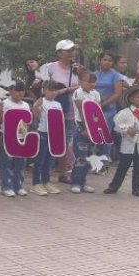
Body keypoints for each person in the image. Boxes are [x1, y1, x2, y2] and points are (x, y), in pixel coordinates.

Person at [104, 85, 139, 197]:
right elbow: (116, 125)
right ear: (131, 99)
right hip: (128, 146)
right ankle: (113, 186)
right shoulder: (124, 113)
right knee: (122, 168)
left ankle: (137, 189)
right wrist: (127, 130)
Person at [43, 40, 81, 184]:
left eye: (73, 50)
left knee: (66, 142)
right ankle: (44, 171)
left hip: (70, 109)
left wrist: (66, 89)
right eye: (67, 50)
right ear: (59, 53)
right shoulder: (50, 67)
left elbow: (85, 84)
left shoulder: (78, 69)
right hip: (52, 108)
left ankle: (63, 173)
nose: (71, 53)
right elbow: (44, 85)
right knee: (49, 140)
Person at [31, 80, 64, 196]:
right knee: (40, 159)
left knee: (49, 160)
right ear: (44, 90)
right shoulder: (41, 102)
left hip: (54, 135)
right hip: (42, 133)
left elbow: (60, 121)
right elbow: (34, 117)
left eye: (55, 90)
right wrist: (35, 107)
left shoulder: (58, 104)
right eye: (51, 90)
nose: (53, 93)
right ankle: (36, 183)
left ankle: (46, 181)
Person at [69, 73, 101, 193]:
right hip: (81, 128)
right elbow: (82, 112)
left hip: (94, 129)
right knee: (81, 157)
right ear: (82, 81)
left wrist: (97, 128)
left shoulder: (96, 94)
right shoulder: (78, 92)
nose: (92, 84)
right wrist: (85, 129)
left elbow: (97, 112)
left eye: (94, 81)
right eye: (89, 81)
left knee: (90, 156)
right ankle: (76, 182)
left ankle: (83, 182)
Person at [0, 81, 30, 197]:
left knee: (21, 162)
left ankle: (19, 186)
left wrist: (23, 137)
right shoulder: (5, 103)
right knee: (7, 162)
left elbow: (26, 122)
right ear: (11, 91)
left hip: (21, 137)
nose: (20, 93)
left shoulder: (26, 105)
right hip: (7, 136)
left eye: (22, 90)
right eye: (17, 90)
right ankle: (6, 186)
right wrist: (0, 111)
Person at [95, 51, 125, 162]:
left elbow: (118, 93)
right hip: (94, 109)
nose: (107, 62)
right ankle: (93, 159)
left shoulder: (116, 75)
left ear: (113, 63)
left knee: (105, 134)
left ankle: (105, 160)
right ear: (100, 60)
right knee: (94, 133)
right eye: (105, 59)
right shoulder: (95, 74)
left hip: (108, 109)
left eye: (110, 60)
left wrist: (103, 104)